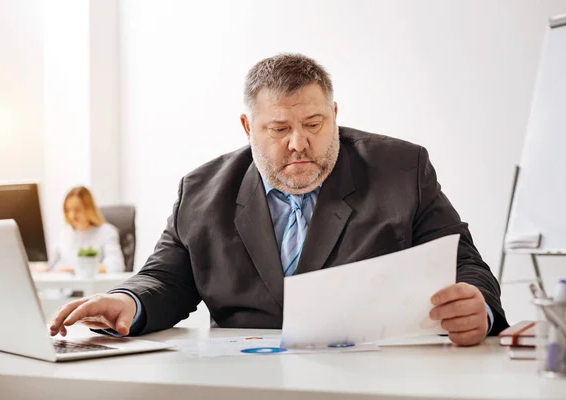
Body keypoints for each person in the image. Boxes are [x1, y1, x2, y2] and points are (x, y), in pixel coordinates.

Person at [50, 54, 509, 346]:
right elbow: (166, 279)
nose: (299, 144)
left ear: (334, 115)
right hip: (247, 383)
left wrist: (477, 306)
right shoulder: (202, 191)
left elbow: (464, 265)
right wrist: (127, 301)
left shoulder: (401, 170)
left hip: (376, 374)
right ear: (249, 129)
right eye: (279, 129)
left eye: (313, 124)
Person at [39, 186, 125, 274]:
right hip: (66, 285)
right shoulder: (65, 233)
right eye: (68, 210)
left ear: (89, 209)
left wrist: (77, 270)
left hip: (94, 287)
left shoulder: (106, 232)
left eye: (77, 210)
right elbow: (50, 263)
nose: (72, 215)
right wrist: (42, 266)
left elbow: (116, 266)